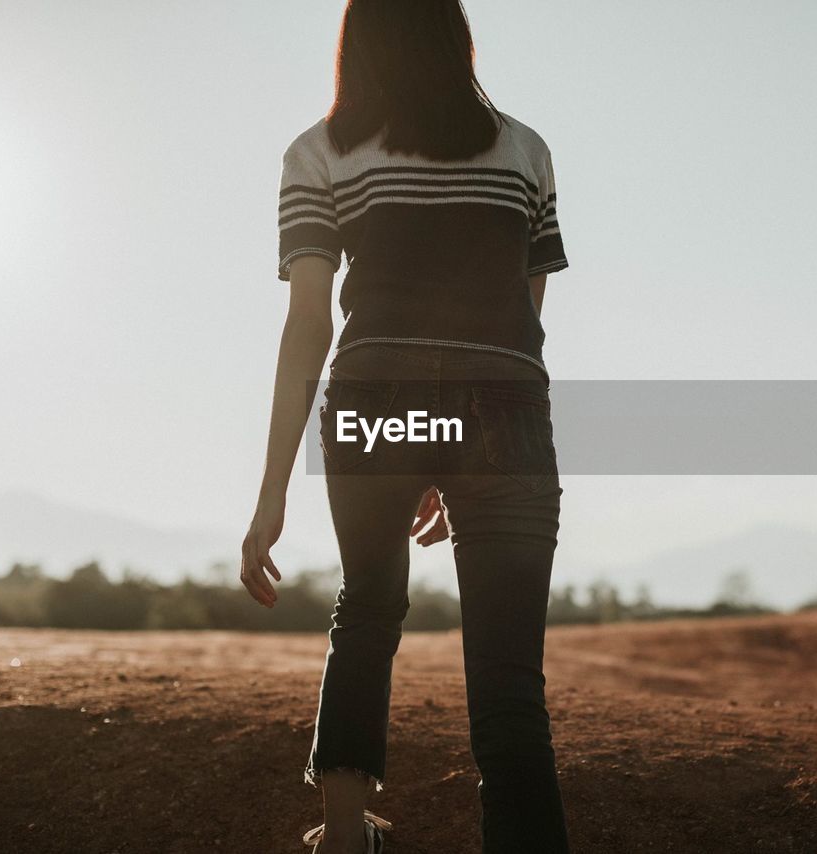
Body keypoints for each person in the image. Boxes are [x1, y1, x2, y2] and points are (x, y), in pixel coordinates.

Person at [240, 1, 571, 851]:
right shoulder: (524, 150)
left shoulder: (320, 152)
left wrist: (272, 491)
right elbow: (522, 319)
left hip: (373, 398)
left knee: (368, 607)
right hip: (503, 405)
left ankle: (346, 837)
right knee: (508, 677)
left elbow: (308, 324)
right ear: (453, 35)